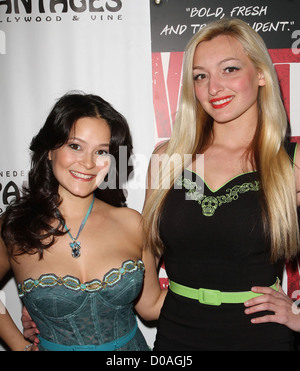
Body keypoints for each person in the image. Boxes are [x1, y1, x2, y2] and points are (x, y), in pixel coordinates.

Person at [142, 18, 300, 351]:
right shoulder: (167, 157)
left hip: (261, 338)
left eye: (229, 70)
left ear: (260, 74)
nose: (213, 88)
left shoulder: (292, 160)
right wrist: (147, 301)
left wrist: (298, 315)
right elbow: (148, 243)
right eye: (201, 76)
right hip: (177, 336)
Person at [0, 92, 165, 351]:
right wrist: (18, 345)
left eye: (101, 151)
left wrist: (222, 285)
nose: (88, 163)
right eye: (75, 146)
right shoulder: (15, 229)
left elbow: (152, 306)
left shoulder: (131, 223)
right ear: (50, 150)